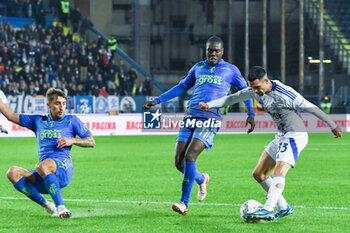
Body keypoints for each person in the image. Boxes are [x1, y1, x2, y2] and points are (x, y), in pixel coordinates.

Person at [199, 66, 342, 221]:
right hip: (281, 135)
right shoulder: (254, 90)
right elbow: (232, 98)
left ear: (266, 81)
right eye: (252, 87)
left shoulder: (286, 93)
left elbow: (311, 108)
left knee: (278, 172)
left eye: (257, 87)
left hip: (295, 135)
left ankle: (268, 208)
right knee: (259, 174)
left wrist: (332, 125)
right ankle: (283, 207)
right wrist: (210, 105)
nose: (255, 91)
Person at [144, 36, 255, 215]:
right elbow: (181, 87)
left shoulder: (231, 70)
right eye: (210, 51)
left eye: (216, 51)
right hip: (191, 116)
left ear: (222, 52)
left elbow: (246, 92)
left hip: (210, 118)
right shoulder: (198, 67)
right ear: (206, 51)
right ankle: (202, 179)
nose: (213, 54)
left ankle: (183, 203)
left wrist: (251, 114)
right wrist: (157, 100)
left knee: (190, 156)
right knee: (179, 162)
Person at [0, 88, 95, 218]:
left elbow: (91, 141)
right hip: (45, 173)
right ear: (48, 105)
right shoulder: (38, 121)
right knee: (12, 173)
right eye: (57, 104)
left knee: (41, 165)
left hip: (63, 169)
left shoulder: (71, 120)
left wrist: (72, 140)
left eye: (64, 103)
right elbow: (10, 116)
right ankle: (48, 206)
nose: (62, 108)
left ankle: (61, 208)